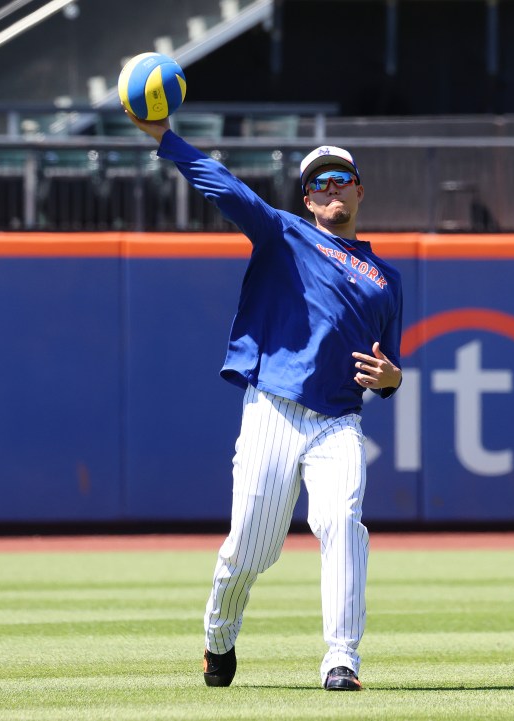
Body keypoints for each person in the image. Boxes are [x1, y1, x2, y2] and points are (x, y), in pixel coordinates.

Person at [127, 111, 403, 691]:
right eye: (319, 182)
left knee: (341, 524)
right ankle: (218, 637)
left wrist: (392, 379)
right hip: (274, 409)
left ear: (358, 189)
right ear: (307, 197)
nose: (331, 188)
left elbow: (385, 370)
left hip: (338, 423)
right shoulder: (285, 235)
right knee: (249, 549)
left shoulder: (386, 278)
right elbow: (225, 188)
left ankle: (341, 659)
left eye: (341, 178)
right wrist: (166, 139)